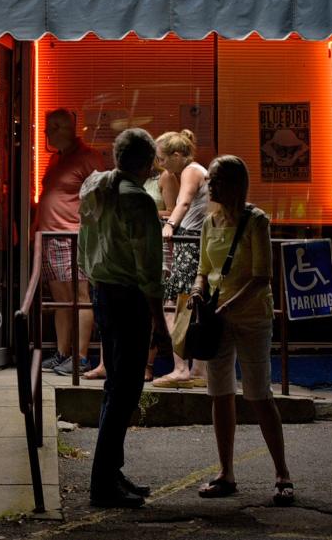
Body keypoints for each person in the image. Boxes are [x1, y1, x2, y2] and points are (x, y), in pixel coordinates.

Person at [190, 155, 295, 507]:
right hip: (217, 318)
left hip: (251, 318)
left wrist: (226, 307)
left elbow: (261, 277)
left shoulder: (256, 221)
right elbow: (204, 268)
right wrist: (197, 291)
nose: (210, 186)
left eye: (217, 180)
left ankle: (282, 472)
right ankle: (226, 472)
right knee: (220, 394)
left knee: (258, 394)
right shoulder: (211, 221)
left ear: (235, 183)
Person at [77, 128, 167, 508]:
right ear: (146, 164)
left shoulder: (94, 188)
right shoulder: (140, 202)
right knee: (125, 391)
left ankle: (111, 472)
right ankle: (103, 484)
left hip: (102, 292)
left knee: (115, 387)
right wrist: (160, 324)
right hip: (128, 298)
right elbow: (149, 270)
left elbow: (84, 246)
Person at [85, 164, 177, 381]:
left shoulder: (164, 178)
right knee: (109, 314)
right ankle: (104, 363)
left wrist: (143, 210)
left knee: (148, 300)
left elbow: (173, 210)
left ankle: (146, 364)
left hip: (154, 237)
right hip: (120, 245)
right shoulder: (114, 181)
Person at [37, 108, 105, 376]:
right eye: (47, 126)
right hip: (51, 237)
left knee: (80, 297)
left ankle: (81, 356)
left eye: (52, 127)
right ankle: (63, 353)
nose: (46, 132)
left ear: (68, 129)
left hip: (74, 236)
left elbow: (102, 195)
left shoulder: (88, 157)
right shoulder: (56, 159)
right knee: (60, 300)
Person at [153, 130, 210, 388]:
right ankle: (197, 369)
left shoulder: (190, 171)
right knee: (193, 306)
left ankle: (181, 368)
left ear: (177, 155)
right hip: (198, 239)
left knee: (173, 305)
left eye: (163, 159)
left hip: (189, 240)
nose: (160, 164)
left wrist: (170, 225)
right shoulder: (195, 170)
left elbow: (184, 203)